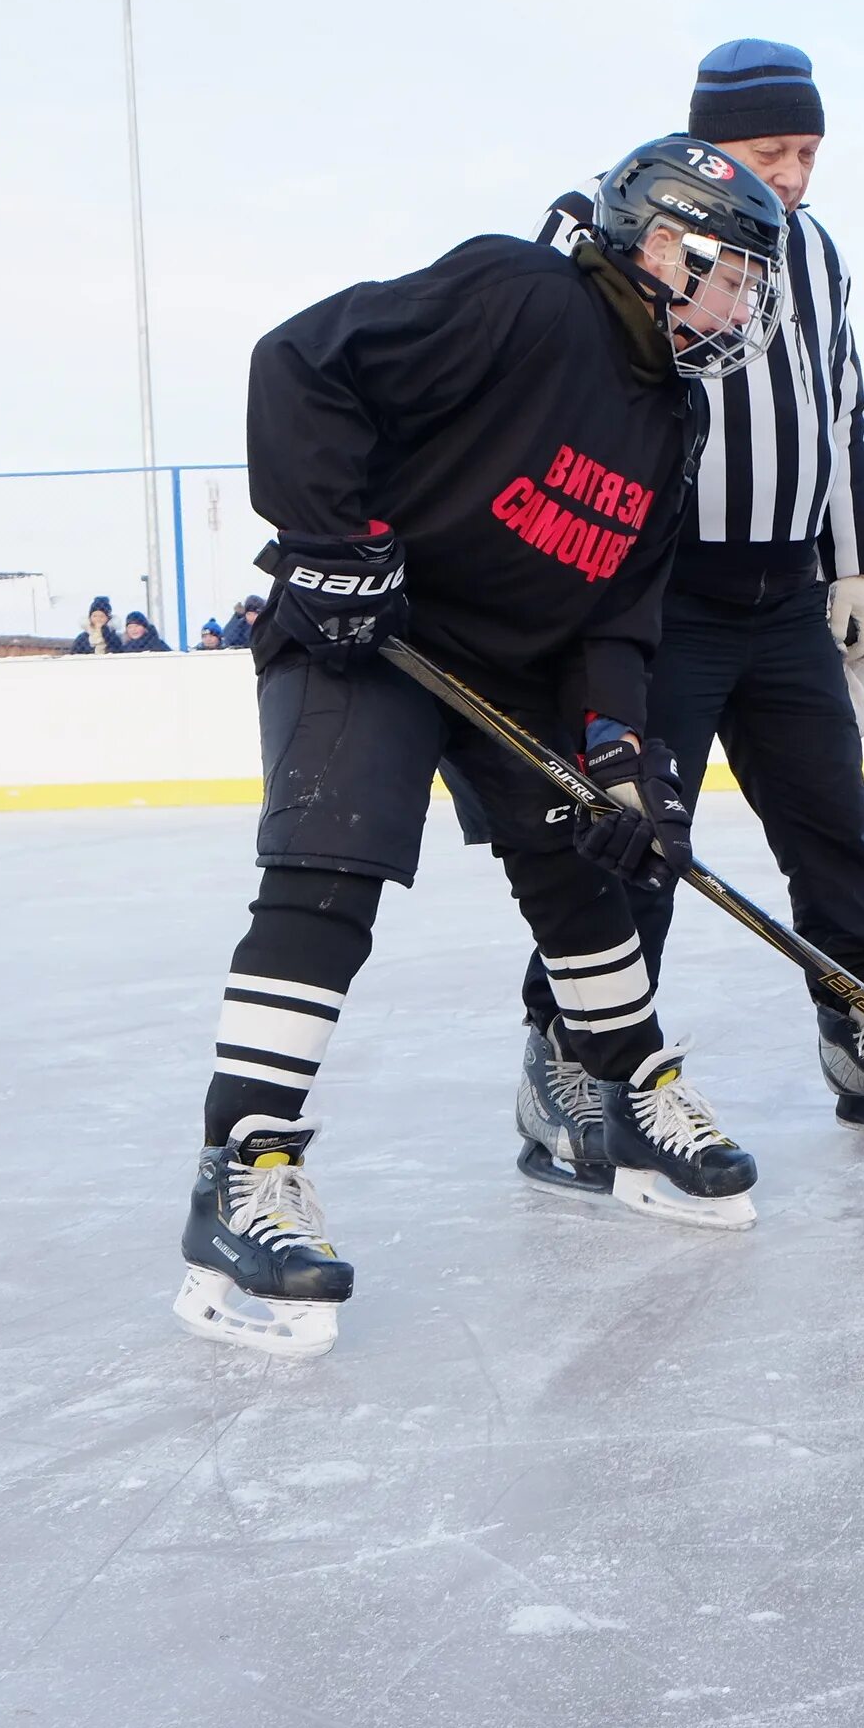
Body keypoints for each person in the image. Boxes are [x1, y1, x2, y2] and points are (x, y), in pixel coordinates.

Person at [171, 134, 790, 1360]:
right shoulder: (519, 296)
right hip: (373, 629)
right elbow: (303, 363)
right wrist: (337, 541)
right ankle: (244, 1168)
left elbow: (619, 609)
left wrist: (616, 745)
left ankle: (627, 1094)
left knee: (594, 855)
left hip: (515, 664)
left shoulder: (670, 425)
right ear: (665, 245)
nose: (743, 305)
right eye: (734, 276)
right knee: (332, 863)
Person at [522, 39, 864, 1142]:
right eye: (773, 149)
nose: (796, 174)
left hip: (784, 599)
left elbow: (843, 405)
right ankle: (574, 1060)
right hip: (660, 597)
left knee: (833, 826)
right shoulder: (637, 234)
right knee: (632, 836)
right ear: (708, 143)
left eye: (810, 150)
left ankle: (860, 1020)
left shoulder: (818, 256)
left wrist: (855, 562)